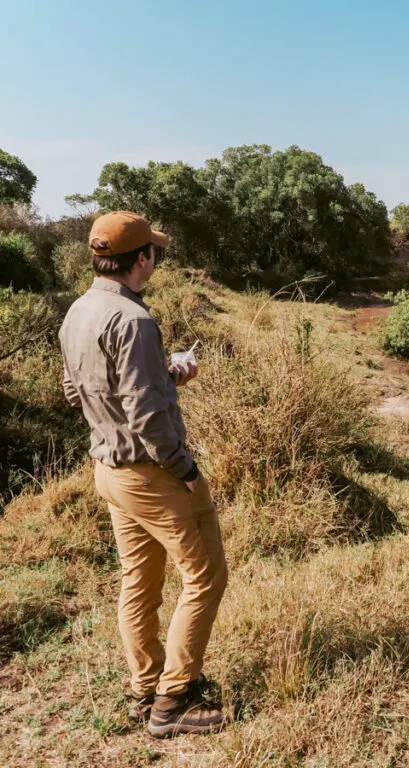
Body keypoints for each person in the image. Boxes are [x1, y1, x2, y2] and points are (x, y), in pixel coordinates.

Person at [58, 211, 228, 739]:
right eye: (153, 249)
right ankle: (172, 702)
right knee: (205, 576)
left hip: (108, 468)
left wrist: (168, 376)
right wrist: (187, 469)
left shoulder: (79, 311)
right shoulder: (134, 320)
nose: (155, 256)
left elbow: (77, 390)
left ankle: (144, 689)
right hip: (151, 473)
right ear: (142, 258)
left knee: (139, 582)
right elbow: (150, 419)